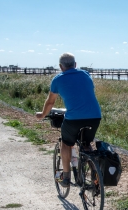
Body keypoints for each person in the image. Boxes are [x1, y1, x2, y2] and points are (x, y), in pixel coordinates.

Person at [36, 52, 101, 187]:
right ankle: (95, 175)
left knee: (66, 143)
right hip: (95, 116)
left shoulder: (57, 79)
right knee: (86, 143)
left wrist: (42, 114)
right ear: (75, 65)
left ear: (61, 66)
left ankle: (65, 177)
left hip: (74, 119)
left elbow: (50, 102)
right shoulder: (86, 75)